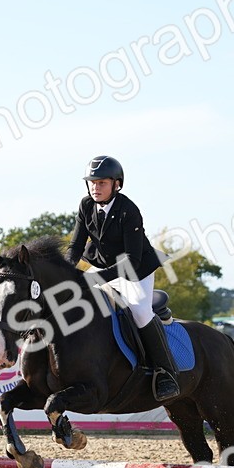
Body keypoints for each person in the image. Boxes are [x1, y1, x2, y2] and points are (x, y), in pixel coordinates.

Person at [64, 155, 179, 401]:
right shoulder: (86, 205)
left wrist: (97, 279)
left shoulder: (129, 210)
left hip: (135, 272)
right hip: (101, 266)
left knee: (140, 312)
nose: (95, 187)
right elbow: (75, 246)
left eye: (102, 183)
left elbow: (131, 261)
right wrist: (65, 271)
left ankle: (166, 372)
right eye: (92, 182)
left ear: (116, 184)